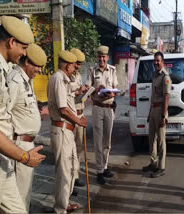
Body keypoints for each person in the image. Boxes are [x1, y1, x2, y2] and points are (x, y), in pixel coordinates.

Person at [0, 16, 45, 213]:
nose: (24, 53)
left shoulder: (0, 69)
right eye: (23, 48)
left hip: (1, 160)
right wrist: (24, 157)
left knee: (19, 210)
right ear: (11, 42)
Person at [7, 43, 47, 212]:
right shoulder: (15, 80)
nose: (39, 70)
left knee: (25, 194)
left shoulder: (26, 80)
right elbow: (3, 113)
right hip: (18, 143)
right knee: (19, 198)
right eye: (36, 66)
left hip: (27, 144)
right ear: (27, 62)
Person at [47, 50, 88, 213]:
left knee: (71, 169)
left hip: (68, 130)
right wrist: (78, 120)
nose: (75, 68)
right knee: (63, 171)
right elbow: (63, 109)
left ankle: (64, 203)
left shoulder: (65, 80)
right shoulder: (58, 79)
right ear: (68, 65)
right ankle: (60, 208)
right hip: (61, 129)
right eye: (73, 65)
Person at [85, 46, 118, 185]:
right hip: (98, 108)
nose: (102, 59)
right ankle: (99, 171)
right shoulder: (92, 71)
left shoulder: (112, 70)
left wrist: (113, 93)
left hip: (109, 108)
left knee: (107, 141)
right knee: (98, 141)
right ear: (97, 58)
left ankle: (104, 167)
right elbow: (87, 88)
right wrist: (95, 89)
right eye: (100, 57)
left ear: (107, 57)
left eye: (104, 57)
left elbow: (116, 87)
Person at [142, 51, 171, 178]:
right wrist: (149, 113)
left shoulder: (165, 77)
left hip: (160, 111)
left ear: (162, 62)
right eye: (154, 60)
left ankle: (161, 166)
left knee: (161, 141)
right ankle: (153, 163)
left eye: (158, 60)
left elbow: (166, 97)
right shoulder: (155, 75)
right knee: (151, 139)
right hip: (153, 110)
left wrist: (164, 116)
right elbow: (153, 96)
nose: (156, 63)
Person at [69, 48, 87, 189]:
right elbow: (66, 96)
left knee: (79, 148)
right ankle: (70, 179)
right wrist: (78, 92)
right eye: (77, 63)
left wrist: (85, 92)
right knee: (70, 150)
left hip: (80, 114)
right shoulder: (66, 76)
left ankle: (76, 176)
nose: (78, 66)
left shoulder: (79, 75)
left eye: (80, 64)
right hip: (71, 116)